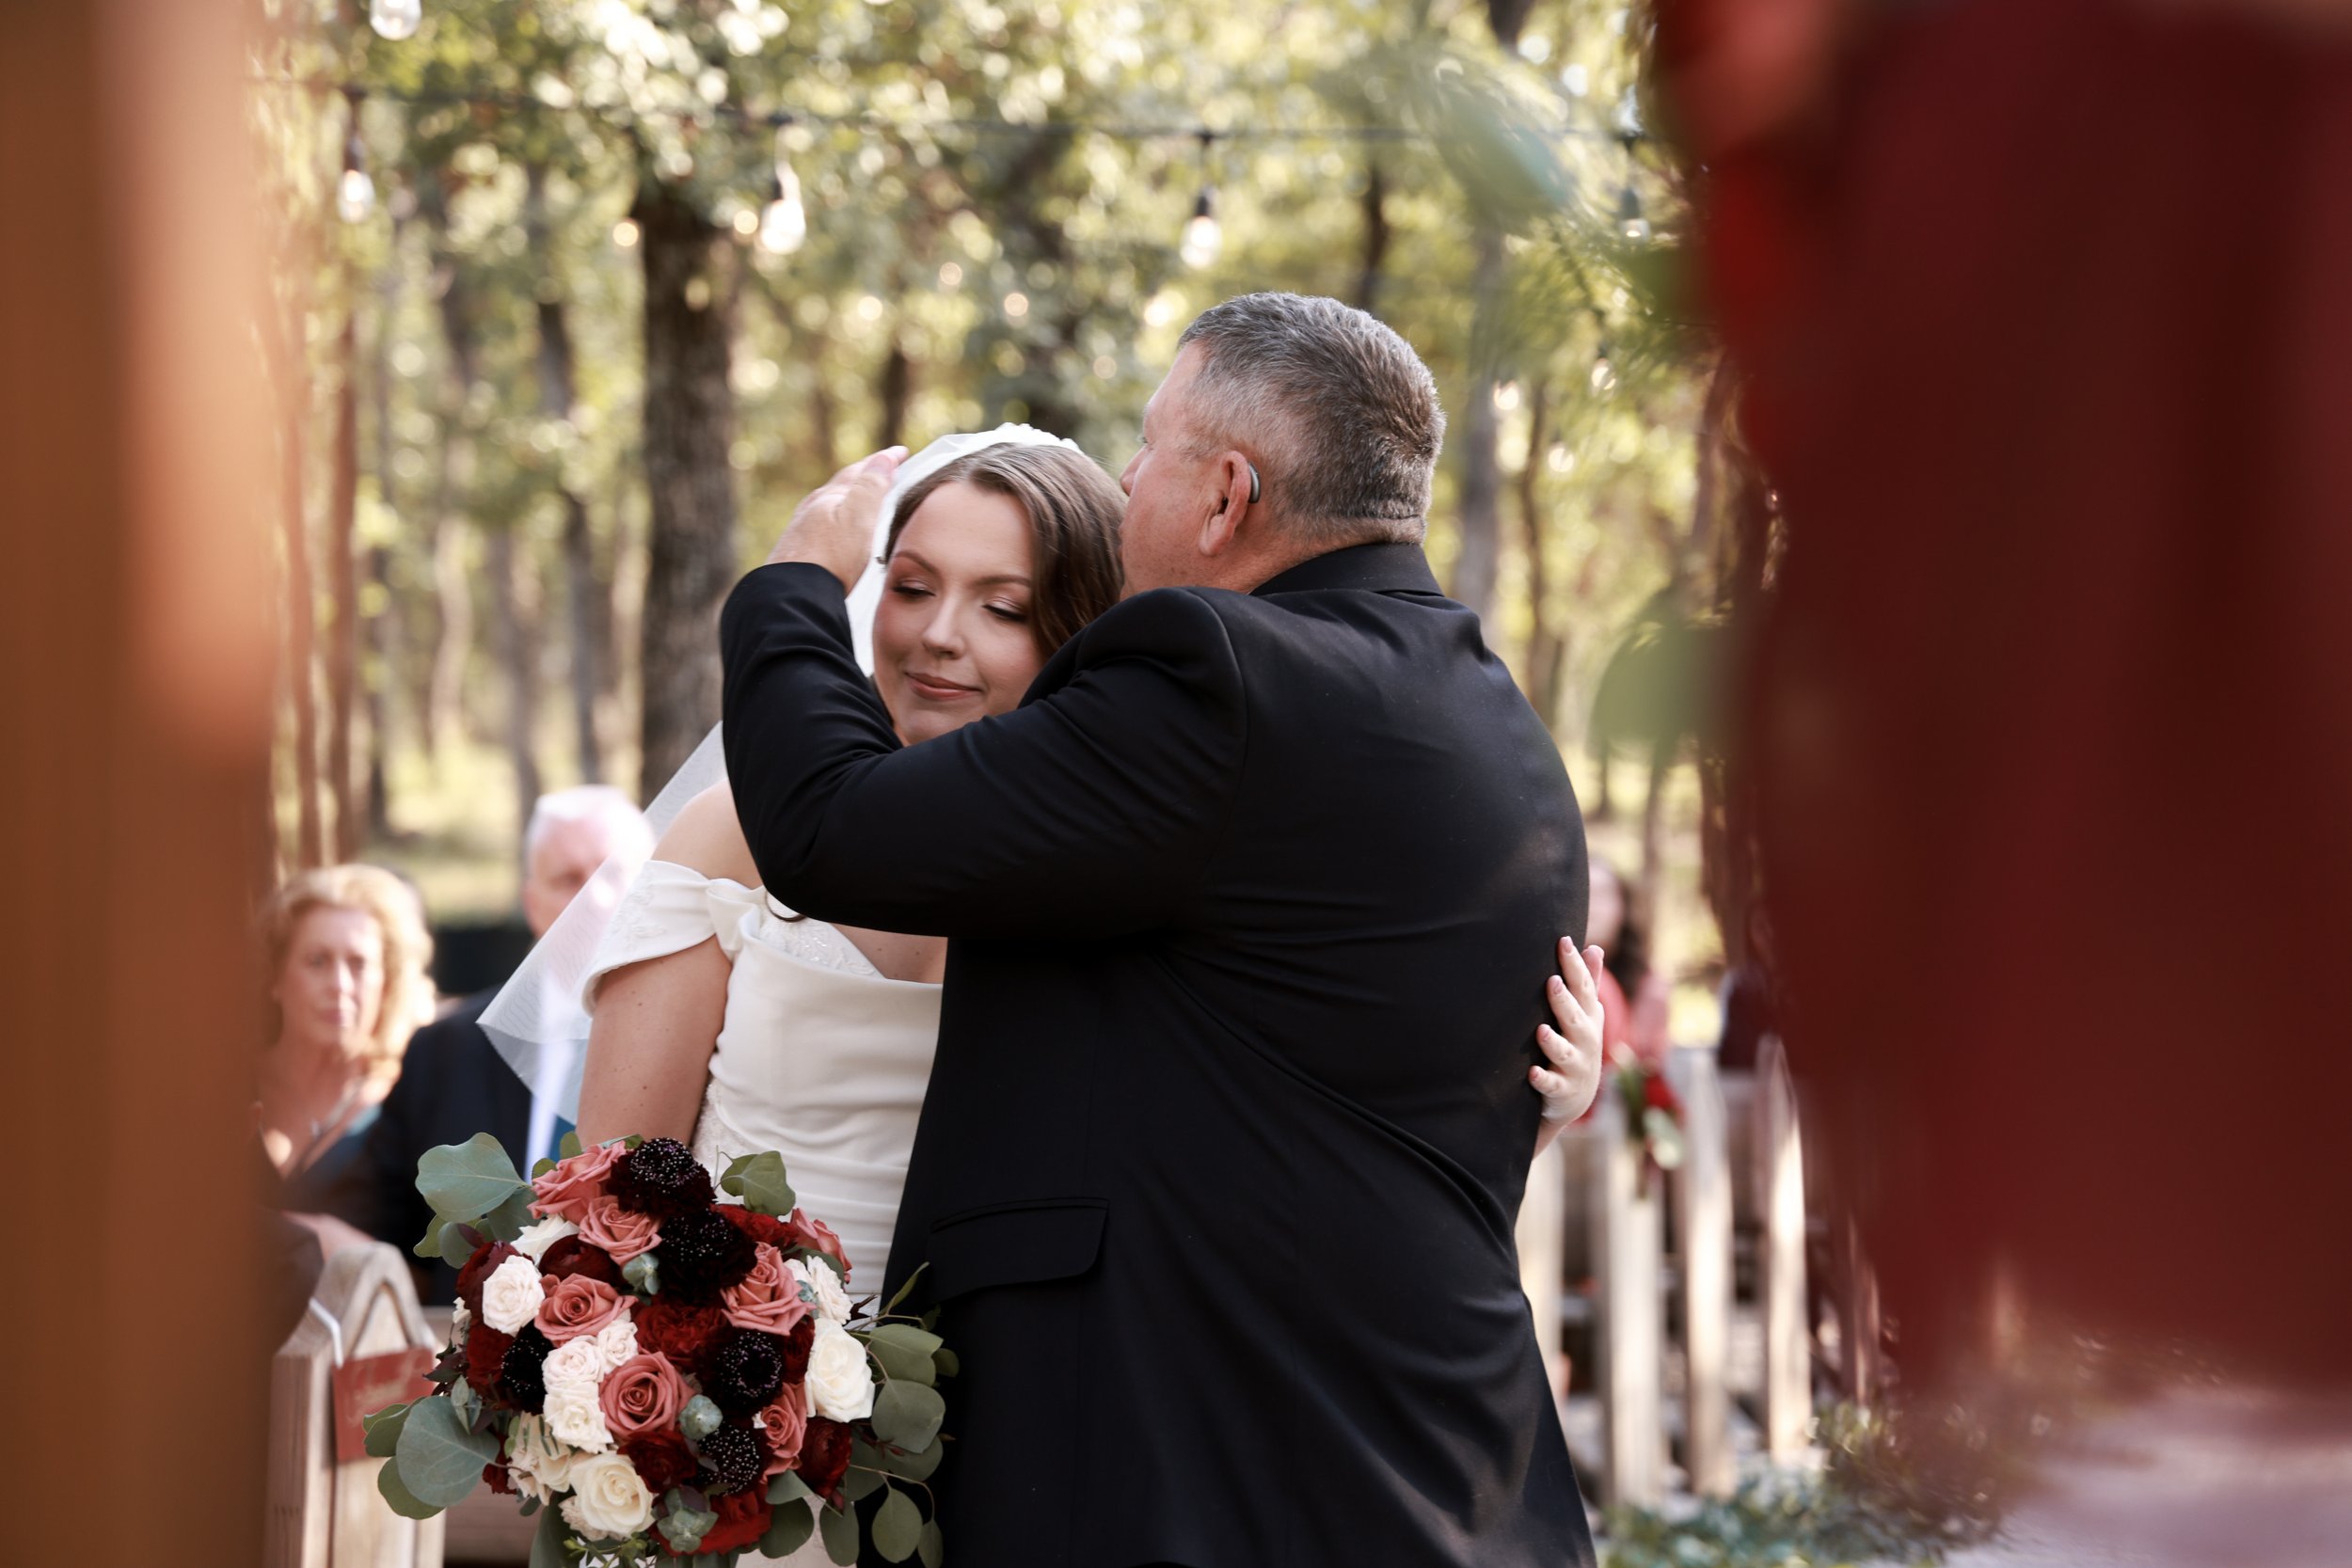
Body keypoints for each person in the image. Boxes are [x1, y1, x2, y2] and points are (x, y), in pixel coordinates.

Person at [722, 293, 1599, 1567]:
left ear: (1227, 494)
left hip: (1193, 1478)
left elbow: (830, 828)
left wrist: (799, 580)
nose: (1126, 475)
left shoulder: (1214, 674)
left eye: (1148, 445)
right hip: (1442, 1474)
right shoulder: (1498, 726)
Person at [317, 785, 651, 1303]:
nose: (594, 899)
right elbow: (365, 1223)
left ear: (651, 890)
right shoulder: (445, 1053)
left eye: (611, 875)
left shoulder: (712, 1045)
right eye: (568, 879)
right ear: (532, 903)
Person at [259, 864, 435, 1228]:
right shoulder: (227, 1087)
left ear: (387, 983)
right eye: (317, 961)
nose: (339, 985)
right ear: (275, 976)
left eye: (358, 964)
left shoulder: (406, 1106)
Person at [1587, 855, 1673, 1073]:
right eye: (1585, 891)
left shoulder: (1650, 988)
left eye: (1603, 894)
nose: (1592, 904)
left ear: (1623, 907)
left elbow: (1650, 1064)